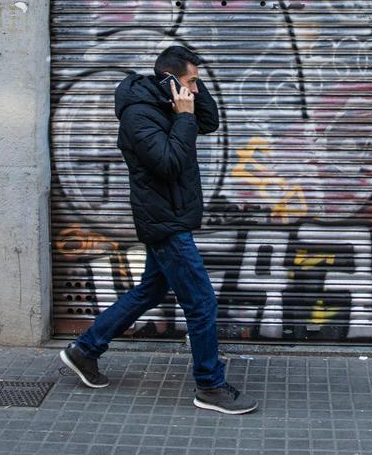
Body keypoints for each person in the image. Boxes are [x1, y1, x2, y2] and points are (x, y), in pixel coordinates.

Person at [59, 45, 258, 415]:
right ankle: (210, 386)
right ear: (168, 82)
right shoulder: (138, 115)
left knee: (149, 290)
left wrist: (193, 90)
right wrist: (183, 114)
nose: (195, 90)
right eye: (190, 82)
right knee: (201, 302)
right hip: (163, 222)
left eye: (197, 83)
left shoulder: (175, 101)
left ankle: (85, 350)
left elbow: (210, 122)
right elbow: (167, 163)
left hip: (173, 215)